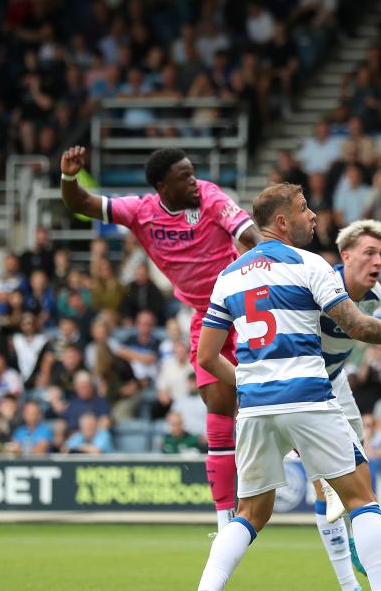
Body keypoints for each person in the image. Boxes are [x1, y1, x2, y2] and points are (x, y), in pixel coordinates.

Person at [194, 182, 381, 591]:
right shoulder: (309, 264)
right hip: (308, 397)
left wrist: (247, 382)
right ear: (282, 221)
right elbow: (358, 326)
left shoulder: (227, 277)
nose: (312, 215)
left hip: (257, 408)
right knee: (361, 499)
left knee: (250, 513)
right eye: (303, 208)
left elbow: (207, 358)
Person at [60, 146, 262, 532]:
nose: (194, 181)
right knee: (218, 408)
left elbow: (248, 234)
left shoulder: (211, 197)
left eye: (193, 173)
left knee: (271, 397)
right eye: (184, 176)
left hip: (245, 306)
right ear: (161, 185)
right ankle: (224, 519)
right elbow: (81, 202)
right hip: (207, 317)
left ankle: (311, 468)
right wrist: (69, 177)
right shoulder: (140, 212)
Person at [314, 218, 381, 585]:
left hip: (336, 380)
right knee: (323, 482)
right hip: (304, 386)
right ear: (345, 256)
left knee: (359, 463)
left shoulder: (375, 298)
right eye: (370, 253)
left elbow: (355, 337)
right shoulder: (318, 284)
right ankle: (348, 582)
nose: (378, 261)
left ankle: (361, 528)